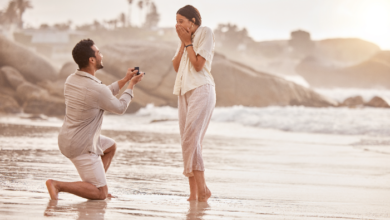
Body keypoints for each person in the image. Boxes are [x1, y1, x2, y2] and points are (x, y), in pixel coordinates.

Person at [46, 39, 144, 200]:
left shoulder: (71, 80)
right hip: (81, 145)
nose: (101, 55)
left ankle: (96, 184)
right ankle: (60, 185)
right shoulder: (95, 88)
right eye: (98, 53)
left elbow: (102, 93)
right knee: (101, 194)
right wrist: (131, 86)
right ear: (92, 59)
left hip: (67, 138)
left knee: (110, 147)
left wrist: (126, 79)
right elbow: (119, 108)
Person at [172, 5, 216, 202]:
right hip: (184, 91)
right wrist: (183, 43)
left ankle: (203, 189)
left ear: (193, 21)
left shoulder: (205, 32)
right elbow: (176, 66)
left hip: (201, 89)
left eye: (181, 21)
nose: (177, 25)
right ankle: (194, 193)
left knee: (191, 138)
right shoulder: (185, 40)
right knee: (187, 142)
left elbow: (198, 65)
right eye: (177, 21)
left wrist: (188, 42)